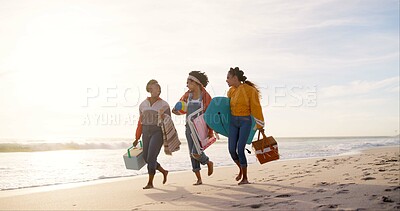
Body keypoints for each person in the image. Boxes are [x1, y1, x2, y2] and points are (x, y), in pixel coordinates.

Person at [172, 71, 214, 185]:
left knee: (196, 152)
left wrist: (210, 131)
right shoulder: (187, 95)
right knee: (191, 154)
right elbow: (181, 109)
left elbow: (210, 114)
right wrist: (176, 111)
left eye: (188, 82)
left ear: (196, 83)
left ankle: (208, 162)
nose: (187, 85)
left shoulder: (205, 96)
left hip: (200, 128)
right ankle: (199, 179)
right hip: (189, 127)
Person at [226, 67, 265, 185]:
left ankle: (245, 177)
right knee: (232, 150)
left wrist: (260, 125)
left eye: (228, 78)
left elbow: (256, 108)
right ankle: (240, 170)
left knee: (240, 149)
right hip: (233, 122)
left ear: (235, 78)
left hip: (245, 122)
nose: (226, 80)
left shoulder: (250, 91)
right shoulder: (231, 91)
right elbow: (225, 109)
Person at [133, 79, 169, 189]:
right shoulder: (143, 105)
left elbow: (169, 123)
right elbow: (140, 122)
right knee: (146, 157)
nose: (158, 89)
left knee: (152, 157)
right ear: (149, 89)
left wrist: (167, 139)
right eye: (155, 87)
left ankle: (150, 182)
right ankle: (163, 171)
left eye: (159, 88)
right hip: (145, 131)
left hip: (157, 132)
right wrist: (137, 137)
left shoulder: (164, 104)